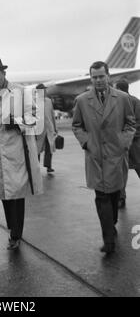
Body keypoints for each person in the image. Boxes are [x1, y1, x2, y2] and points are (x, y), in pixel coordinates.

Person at [72, 62, 136, 255]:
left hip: (116, 156)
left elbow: (130, 124)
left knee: (115, 195)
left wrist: (123, 143)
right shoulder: (82, 100)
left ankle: (112, 223)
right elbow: (77, 125)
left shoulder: (123, 99)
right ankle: (108, 240)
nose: (98, 80)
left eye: (101, 76)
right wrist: (86, 142)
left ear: (108, 76)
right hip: (95, 157)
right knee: (101, 198)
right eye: (94, 77)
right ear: (90, 78)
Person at [0, 57, 43, 251]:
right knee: (4, 194)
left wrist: (16, 121)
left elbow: (35, 118)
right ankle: (12, 229)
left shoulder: (20, 93)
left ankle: (16, 234)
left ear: (4, 74)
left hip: (16, 151)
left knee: (17, 194)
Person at [115, 79, 140, 208]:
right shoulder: (116, 102)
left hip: (133, 143)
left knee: (129, 169)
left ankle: (120, 198)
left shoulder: (134, 102)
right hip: (125, 144)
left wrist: (127, 136)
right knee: (120, 171)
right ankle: (120, 197)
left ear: (119, 88)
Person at [36, 84, 58, 174]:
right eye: (42, 90)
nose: (44, 92)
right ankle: (36, 166)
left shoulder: (49, 101)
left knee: (49, 148)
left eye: (45, 90)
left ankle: (49, 166)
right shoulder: (34, 102)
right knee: (37, 149)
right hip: (39, 130)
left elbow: (52, 115)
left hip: (49, 129)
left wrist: (55, 128)